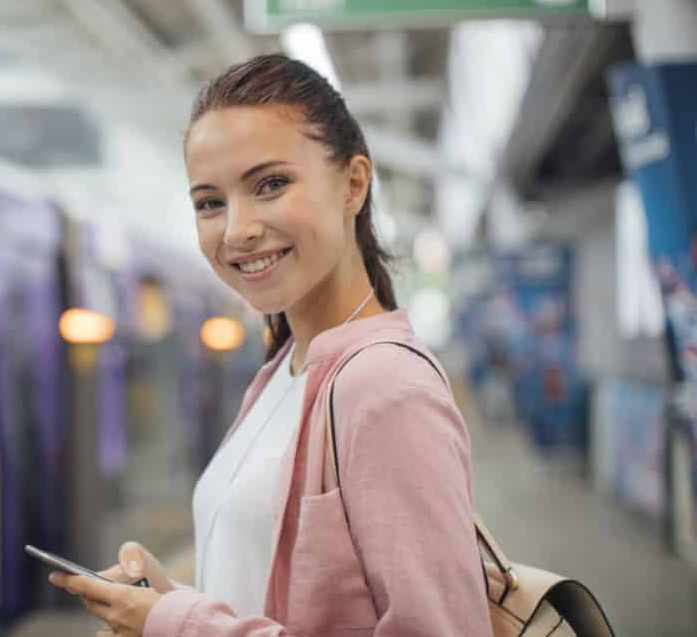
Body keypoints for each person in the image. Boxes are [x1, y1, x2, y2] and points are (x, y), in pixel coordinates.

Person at [48, 54, 492, 637]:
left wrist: (184, 626)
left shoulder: (384, 386)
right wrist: (165, 604)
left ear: (354, 184)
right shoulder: (283, 368)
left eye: (271, 185)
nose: (236, 230)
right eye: (210, 202)